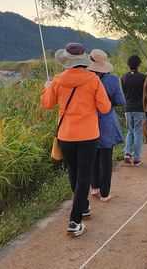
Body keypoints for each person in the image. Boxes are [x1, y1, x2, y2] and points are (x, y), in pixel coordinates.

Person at [41, 42, 111, 237]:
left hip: (66, 134)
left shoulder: (57, 80)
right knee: (84, 175)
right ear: (83, 59)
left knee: (73, 172)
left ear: (66, 60)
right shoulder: (93, 80)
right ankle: (75, 220)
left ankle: (84, 207)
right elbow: (105, 108)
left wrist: (47, 88)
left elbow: (47, 104)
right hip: (88, 134)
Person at [87, 49, 125, 202]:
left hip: (89, 119)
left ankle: (94, 188)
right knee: (106, 157)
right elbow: (121, 101)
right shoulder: (112, 80)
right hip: (106, 119)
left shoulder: (87, 79)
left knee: (93, 155)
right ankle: (105, 193)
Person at [121, 55, 146, 166]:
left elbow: (122, 93)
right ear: (139, 64)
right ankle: (136, 158)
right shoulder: (143, 78)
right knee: (138, 132)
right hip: (139, 108)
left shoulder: (124, 77)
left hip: (128, 108)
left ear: (128, 64)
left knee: (130, 131)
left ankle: (127, 153)